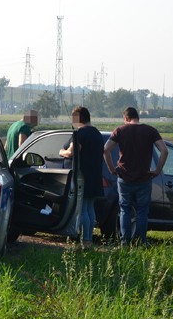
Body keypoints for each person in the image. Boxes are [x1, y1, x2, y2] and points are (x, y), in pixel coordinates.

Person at [103, 107, 168, 246]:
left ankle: (125, 242)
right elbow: (164, 151)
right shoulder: (151, 131)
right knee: (142, 211)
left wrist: (111, 169)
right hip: (144, 179)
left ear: (126, 118)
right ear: (138, 117)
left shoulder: (120, 130)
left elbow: (106, 149)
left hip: (124, 178)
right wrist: (157, 170)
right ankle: (141, 242)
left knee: (125, 209)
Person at [59, 106, 103, 249]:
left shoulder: (81, 133)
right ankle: (88, 239)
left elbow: (72, 152)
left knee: (83, 208)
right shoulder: (97, 133)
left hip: (82, 176)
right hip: (95, 175)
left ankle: (85, 241)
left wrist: (62, 151)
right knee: (90, 208)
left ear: (78, 118)